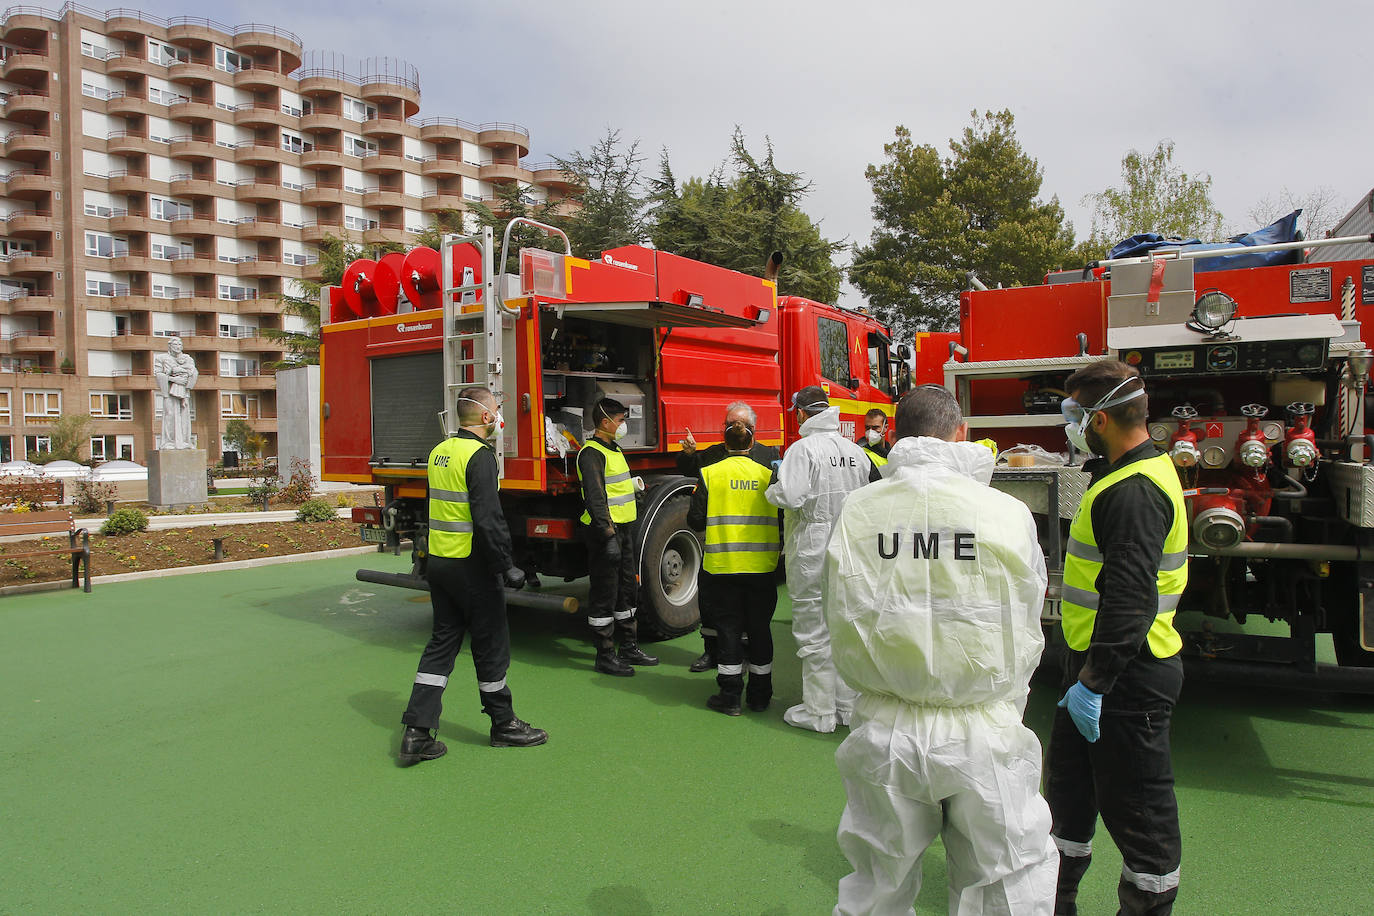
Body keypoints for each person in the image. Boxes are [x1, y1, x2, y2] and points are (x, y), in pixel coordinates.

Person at [825, 385, 1056, 914]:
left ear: (896, 433)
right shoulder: (1004, 512)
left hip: (886, 727)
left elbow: (838, 605)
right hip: (984, 730)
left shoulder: (859, 510)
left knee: (877, 885)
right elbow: (1027, 613)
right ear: (960, 434)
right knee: (1005, 886)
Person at [1048, 359, 1186, 915]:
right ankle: (1055, 900)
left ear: (1099, 420)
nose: (1070, 422)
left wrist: (1096, 682)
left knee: (1141, 815)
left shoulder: (1132, 491)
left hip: (1124, 678)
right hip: (1096, 671)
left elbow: (1131, 600)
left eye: (1074, 412)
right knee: (1069, 799)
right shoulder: (1124, 474)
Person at [399, 386, 547, 764]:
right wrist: (506, 566)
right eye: (497, 410)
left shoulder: (440, 451)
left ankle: (417, 730)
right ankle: (504, 724)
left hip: (441, 564)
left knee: (442, 643)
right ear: (485, 417)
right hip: (474, 568)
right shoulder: (479, 456)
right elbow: (488, 518)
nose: (500, 417)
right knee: (491, 646)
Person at [765, 386, 878, 732]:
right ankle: (846, 707)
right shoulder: (854, 451)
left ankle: (818, 712)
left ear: (801, 413)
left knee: (813, 629)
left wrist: (773, 485)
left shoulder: (802, 449)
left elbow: (789, 495)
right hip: (848, 544)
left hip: (813, 544)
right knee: (842, 628)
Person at [677, 401, 780, 672]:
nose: (732, 427)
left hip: (747, 556)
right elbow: (693, 471)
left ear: (752, 430)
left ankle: (737, 664)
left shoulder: (769, 457)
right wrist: (688, 454)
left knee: (745, 619)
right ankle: (713, 653)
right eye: (728, 423)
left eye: (737, 424)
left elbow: (696, 517)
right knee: (712, 611)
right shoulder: (712, 456)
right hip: (725, 555)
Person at [578, 397, 659, 676]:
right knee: (604, 594)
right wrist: (608, 535)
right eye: (621, 420)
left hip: (623, 530)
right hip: (605, 533)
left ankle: (628, 647)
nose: (624, 425)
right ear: (605, 422)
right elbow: (596, 500)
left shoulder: (614, 449)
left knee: (627, 589)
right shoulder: (591, 453)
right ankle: (604, 655)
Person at [153, 336, 198, 450]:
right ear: (170, 346)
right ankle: (169, 441)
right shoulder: (161, 358)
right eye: (175, 344)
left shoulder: (187, 358)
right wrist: (173, 380)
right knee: (170, 415)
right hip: (169, 392)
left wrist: (186, 379)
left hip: (183, 391)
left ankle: (184, 441)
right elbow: (158, 374)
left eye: (179, 345)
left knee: (184, 416)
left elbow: (194, 372)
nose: (177, 347)